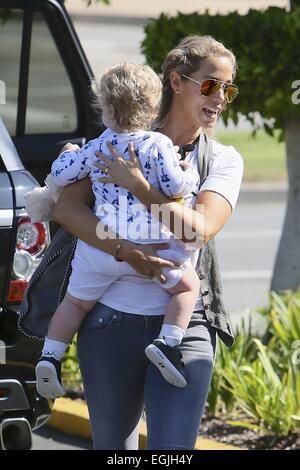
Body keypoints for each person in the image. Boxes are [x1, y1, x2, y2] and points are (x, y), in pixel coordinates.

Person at [51, 35, 243, 450]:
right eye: (211, 85)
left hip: (184, 328)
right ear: (176, 81)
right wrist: (126, 251)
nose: (221, 98)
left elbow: (197, 230)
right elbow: (67, 210)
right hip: (109, 321)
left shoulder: (222, 160)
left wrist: (139, 186)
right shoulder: (120, 136)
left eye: (228, 88)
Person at [35, 62, 204, 399]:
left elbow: (61, 176)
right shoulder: (158, 145)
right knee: (188, 287)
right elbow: (173, 186)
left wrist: (67, 154)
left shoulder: (97, 146)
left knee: (75, 304)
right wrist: (190, 174)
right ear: (155, 108)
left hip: (101, 248)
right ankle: (167, 343)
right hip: (153, 247)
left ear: (106, 110)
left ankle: (51, 355)